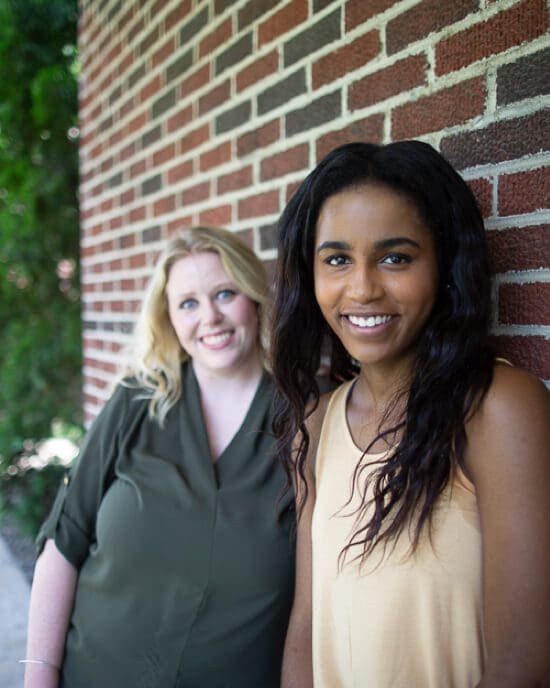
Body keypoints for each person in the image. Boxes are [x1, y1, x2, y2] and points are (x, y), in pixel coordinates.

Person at [270, 141, 550, 687]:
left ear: (444, 265)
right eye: (337, 259)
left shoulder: (497, 408)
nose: (363, 288)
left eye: (396, 258)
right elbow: (306, 625)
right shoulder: (318, 424)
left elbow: (524, 667)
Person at [23, 226, 295, 688]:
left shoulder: (304, 420)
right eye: (188, 303)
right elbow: (63, 544)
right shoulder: (135, 402)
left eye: (224, 293)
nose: (209, 316)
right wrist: (39, 676)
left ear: (253, 297)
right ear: (168, 318)